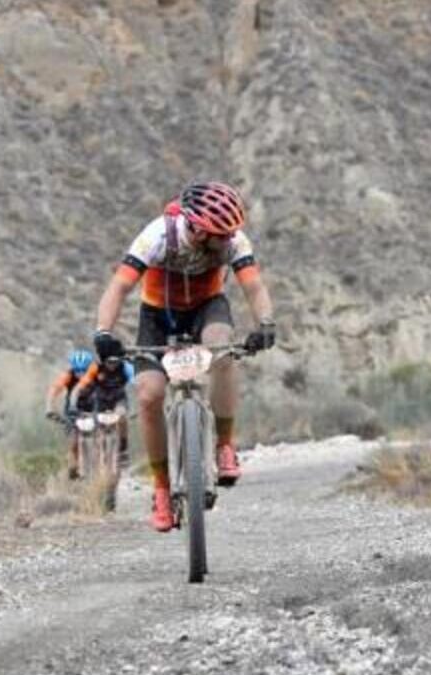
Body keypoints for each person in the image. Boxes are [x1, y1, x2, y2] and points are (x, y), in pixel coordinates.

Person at [90, 181, 277, 532]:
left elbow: (253, 286)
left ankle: (224, 446)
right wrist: (103, 332)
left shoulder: (233, 239)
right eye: (220, 236)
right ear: (197, 230)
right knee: (149, 394)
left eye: (231, 234)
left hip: (207, 307)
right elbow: (119, 287)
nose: (228, 241)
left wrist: (265, 322)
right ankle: (161, 489)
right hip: (158, 315)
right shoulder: (158, 236)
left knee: (222, 351)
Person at [70, 356, 136, 473]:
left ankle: (123, 451)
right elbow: (79, 387)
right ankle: (93, 457)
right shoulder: (95, 370)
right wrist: (73, 404)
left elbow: (134, 384)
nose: (112, 365)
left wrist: (135, 408)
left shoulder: (124, 369)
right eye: (109, 362)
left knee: (122, 417)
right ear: (104, 361)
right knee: (92, 425)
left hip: (118, 400)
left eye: (115, 362)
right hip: (100, 401)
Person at [44, 348, 96, 479]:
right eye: (77, 370)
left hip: (93, 409)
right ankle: (73, 468)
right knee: (74, 442)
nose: (80, 373)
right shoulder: (68, 375)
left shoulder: (96, 374)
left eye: (83, 370)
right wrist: (49, 408)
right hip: (73, 410)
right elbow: (54, 390)